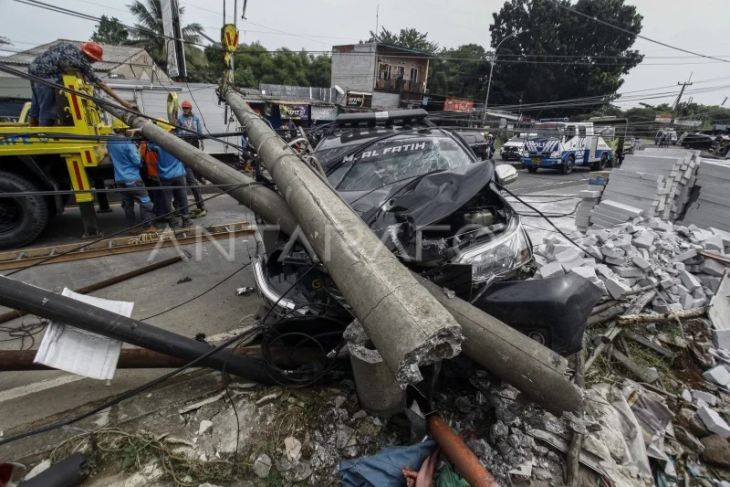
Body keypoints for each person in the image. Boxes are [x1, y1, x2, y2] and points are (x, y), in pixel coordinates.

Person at [27, 41, 130, 126]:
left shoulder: (69, 46)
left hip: (33, 69)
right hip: (46, 76)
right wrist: (123, 102)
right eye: (95, 60)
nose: (94, 62)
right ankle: (45, 135)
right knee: (48, 108)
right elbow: (100, 83)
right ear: (91, 58)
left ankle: (32, 129)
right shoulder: (82, 63)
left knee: (36, 105)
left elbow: (54, 49)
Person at [107, 128, 156, 232]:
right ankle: (148, 226)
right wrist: (138, 150)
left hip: (119, 179)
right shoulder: (128, 143)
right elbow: (137, 162)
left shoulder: (110, 142)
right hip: (133, 178)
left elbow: (111, 158)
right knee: (145, 202)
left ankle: (131, 227)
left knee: (127, 204)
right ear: (125, 130)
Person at [149, 127, 190, 229]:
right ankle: (186, 219)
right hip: (179, 174)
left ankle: (172, 220)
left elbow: (149, 147)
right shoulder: (176, 142)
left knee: (167, 200)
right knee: (182, 197)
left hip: (165, 176)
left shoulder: (157, 144)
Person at [176, 99, 207, 218]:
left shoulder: (196, 118)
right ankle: (180, 207)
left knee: (194, 171)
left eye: (187, 108)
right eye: (184, 108)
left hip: (194, 142)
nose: (185, 110)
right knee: (186, 182)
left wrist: (202, 141)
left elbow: (199, 131)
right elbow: (178, 132)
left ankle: (199, 176)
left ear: (190, 109)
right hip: (184, 144)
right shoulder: (180, 119)